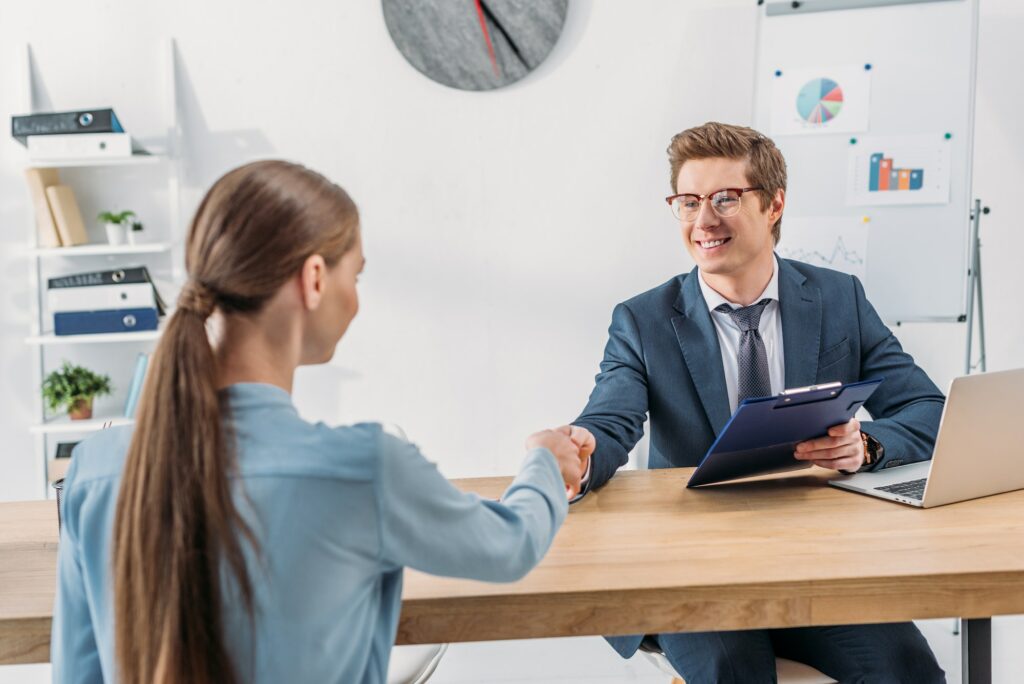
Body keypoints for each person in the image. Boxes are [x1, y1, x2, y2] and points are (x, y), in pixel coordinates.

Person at [52, 160, 590, 684]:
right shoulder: (363, 469)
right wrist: (544, 458)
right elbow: (510, 545)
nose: (354, 298)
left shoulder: (94, 472)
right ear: (313, 278)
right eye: (354, 274)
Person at [568, 122, 947, 683]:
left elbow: (927, 409)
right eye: (688, 201)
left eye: (725, 198)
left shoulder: (838, 297)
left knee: (907, 669)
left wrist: (865, 444)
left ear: (774, 205)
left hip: (812, 561)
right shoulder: (642, 320)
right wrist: (579, 450)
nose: (703, 220)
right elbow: (610, 418)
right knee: (733, 670)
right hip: (695, 570)